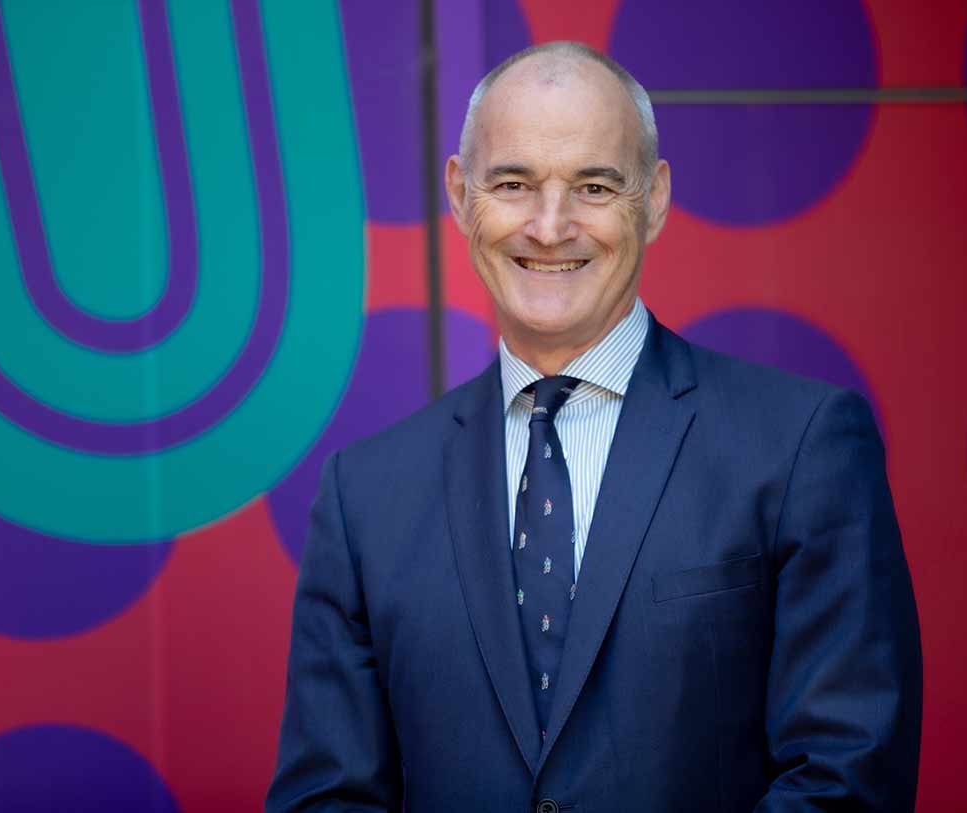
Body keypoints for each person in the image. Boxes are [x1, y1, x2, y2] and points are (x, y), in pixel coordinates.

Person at [267, 41, 921, 812]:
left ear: (654, 198)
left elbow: (847, 776)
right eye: (514, 183)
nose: (550, 226)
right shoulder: (364, 494)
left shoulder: (801, 445)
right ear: (460, 193)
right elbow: (328, 799)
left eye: (594, 186)